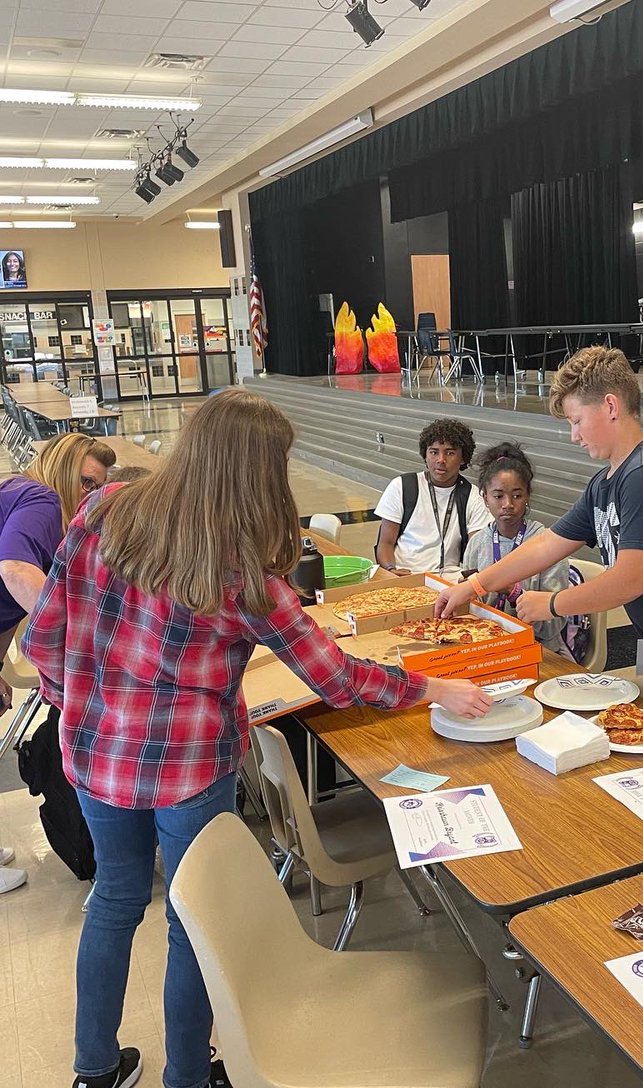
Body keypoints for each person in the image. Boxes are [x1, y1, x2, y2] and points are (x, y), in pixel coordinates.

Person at [22, 389, 491, 1088]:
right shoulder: (246, 576)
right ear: (258, 473)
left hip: (94, 755)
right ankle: (187, 1075)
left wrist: (83, 710)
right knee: (190, 926)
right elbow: (336, 679)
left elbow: (44, 635)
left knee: (115, 900)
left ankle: (92, 1068)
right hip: (188, 771)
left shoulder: (102, 511)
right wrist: (431, 687)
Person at [436, 346, 643, 689]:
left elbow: (630, 579)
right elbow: (547, 545)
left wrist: (553, 604)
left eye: (577, 421)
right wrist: (475, 584)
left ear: (611, 406)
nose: (574, 435)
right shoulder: (604, 483)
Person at [0, 435, 116, 894]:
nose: (88, 495)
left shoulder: (20, 496)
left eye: (97, 488)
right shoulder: (43, 499)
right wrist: (77, 636)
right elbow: (12, 570)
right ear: (60, 469)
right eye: (84, 482)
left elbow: (5, 606)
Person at [461, 442, 570, 656]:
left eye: (517, 495)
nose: (508, 504)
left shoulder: (549, 545)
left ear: (528, 496)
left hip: (539, 648)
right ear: (484, 497)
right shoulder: (477, 543)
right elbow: (472, 612)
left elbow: (553, 626)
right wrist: (469, 595)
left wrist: (513, 591)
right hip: (488, 645)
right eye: (498, 496)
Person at [373, 417, 490, 575]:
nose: (441, 460)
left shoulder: (473, 496)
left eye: (450, 453)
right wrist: (391, 570)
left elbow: (477, 552)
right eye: (434, 452)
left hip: (450, 580)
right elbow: (385, 543)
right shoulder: (402, 486)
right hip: (403, 575)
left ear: (463, 458)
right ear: (425, 455)